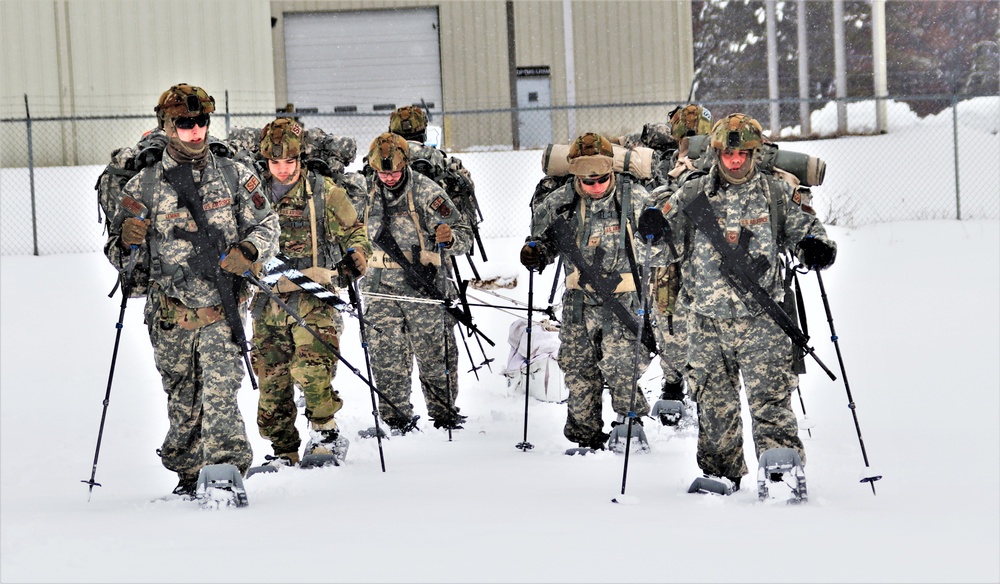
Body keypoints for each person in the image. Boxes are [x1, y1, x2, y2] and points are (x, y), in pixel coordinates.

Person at [103, 83, 279, 497]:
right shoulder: (143, 186)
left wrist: (251, 250)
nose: (196, 131)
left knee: (220, 392)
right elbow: (122, 258)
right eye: (184, 123)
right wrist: (127, 240)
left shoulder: (234, 173)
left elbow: (267, 223)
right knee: (183, 398)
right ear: (167, 126)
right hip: (171, 316)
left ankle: (224, 472)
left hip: (222, 309)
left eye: (202, 122)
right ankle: (187, 472)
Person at [653, 113, 837, 492]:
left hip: (762, 319)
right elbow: (659, 251)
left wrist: (815, 248)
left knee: (770, 398)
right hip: (704, 320)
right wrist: (652, 231)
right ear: (716, 153)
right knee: (713, 404)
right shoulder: (691, 193)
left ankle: (781, 465)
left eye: (743, 154)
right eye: (728, 154)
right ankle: (721, 472)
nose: (735, 161)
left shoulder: (774, 193)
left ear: (754, 153)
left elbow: (806, 231)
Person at [520, 132, 657, 452]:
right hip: (579, 302)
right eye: (587, 181)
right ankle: (585, 435)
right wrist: (535, 254)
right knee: (579, 369)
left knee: (621, 366)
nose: (595, 187)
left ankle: (630, 426)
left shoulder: (633, 198)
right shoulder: (557, 204)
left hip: (623, 299)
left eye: (601, 180)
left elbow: (663, 242)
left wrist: (655, 229)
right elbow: (542, 242)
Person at [248, 118, 372, 467]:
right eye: (275, 163)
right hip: (266, 300)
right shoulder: (251, 196)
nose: (283, 169)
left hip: (312, 297)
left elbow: (357, 234)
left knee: (311, 368)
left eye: (289, 161)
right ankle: (282, 449)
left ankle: (324, 433)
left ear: (300, 158)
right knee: (271, 381)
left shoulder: (324, 192)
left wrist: (356, 257)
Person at [361, 132, 473, 432]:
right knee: (386, 354)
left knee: (436, 352)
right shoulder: (361, 193)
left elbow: (464, 235)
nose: (389, 178)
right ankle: (394, 418)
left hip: (425, 285)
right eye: (383, 173)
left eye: (395, 172)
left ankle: (445, 413)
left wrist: (449, 239)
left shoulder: (427, 192)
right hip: (378, 287)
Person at [648, 104, 715, 422]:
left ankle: (708, 387)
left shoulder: (717, 158)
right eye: (683, 135)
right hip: (669, 255)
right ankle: (673, 384)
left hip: (709, 254)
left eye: (696, 135)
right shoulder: (660, 160)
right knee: (669, 321)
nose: (689, 141)